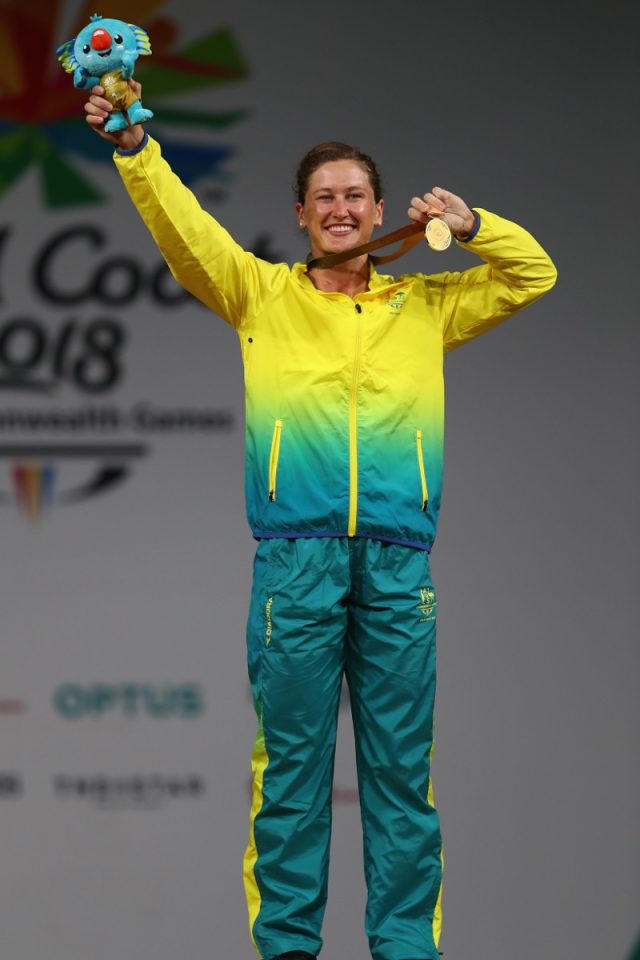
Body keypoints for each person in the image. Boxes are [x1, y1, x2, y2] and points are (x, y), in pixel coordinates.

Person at [84, 80, 557, 960]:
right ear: (301, 214)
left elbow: (536, 274)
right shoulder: (260, 295)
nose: (341, 210)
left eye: (356, 197)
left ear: (383, 211)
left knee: (400, 781)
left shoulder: (426, 306)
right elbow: (187, 235)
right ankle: (290, 951)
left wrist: (474, 222)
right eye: (324, 198)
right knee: (291, 780)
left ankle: (407, 950)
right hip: (294, 565)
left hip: (397, 566)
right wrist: (135, 148)